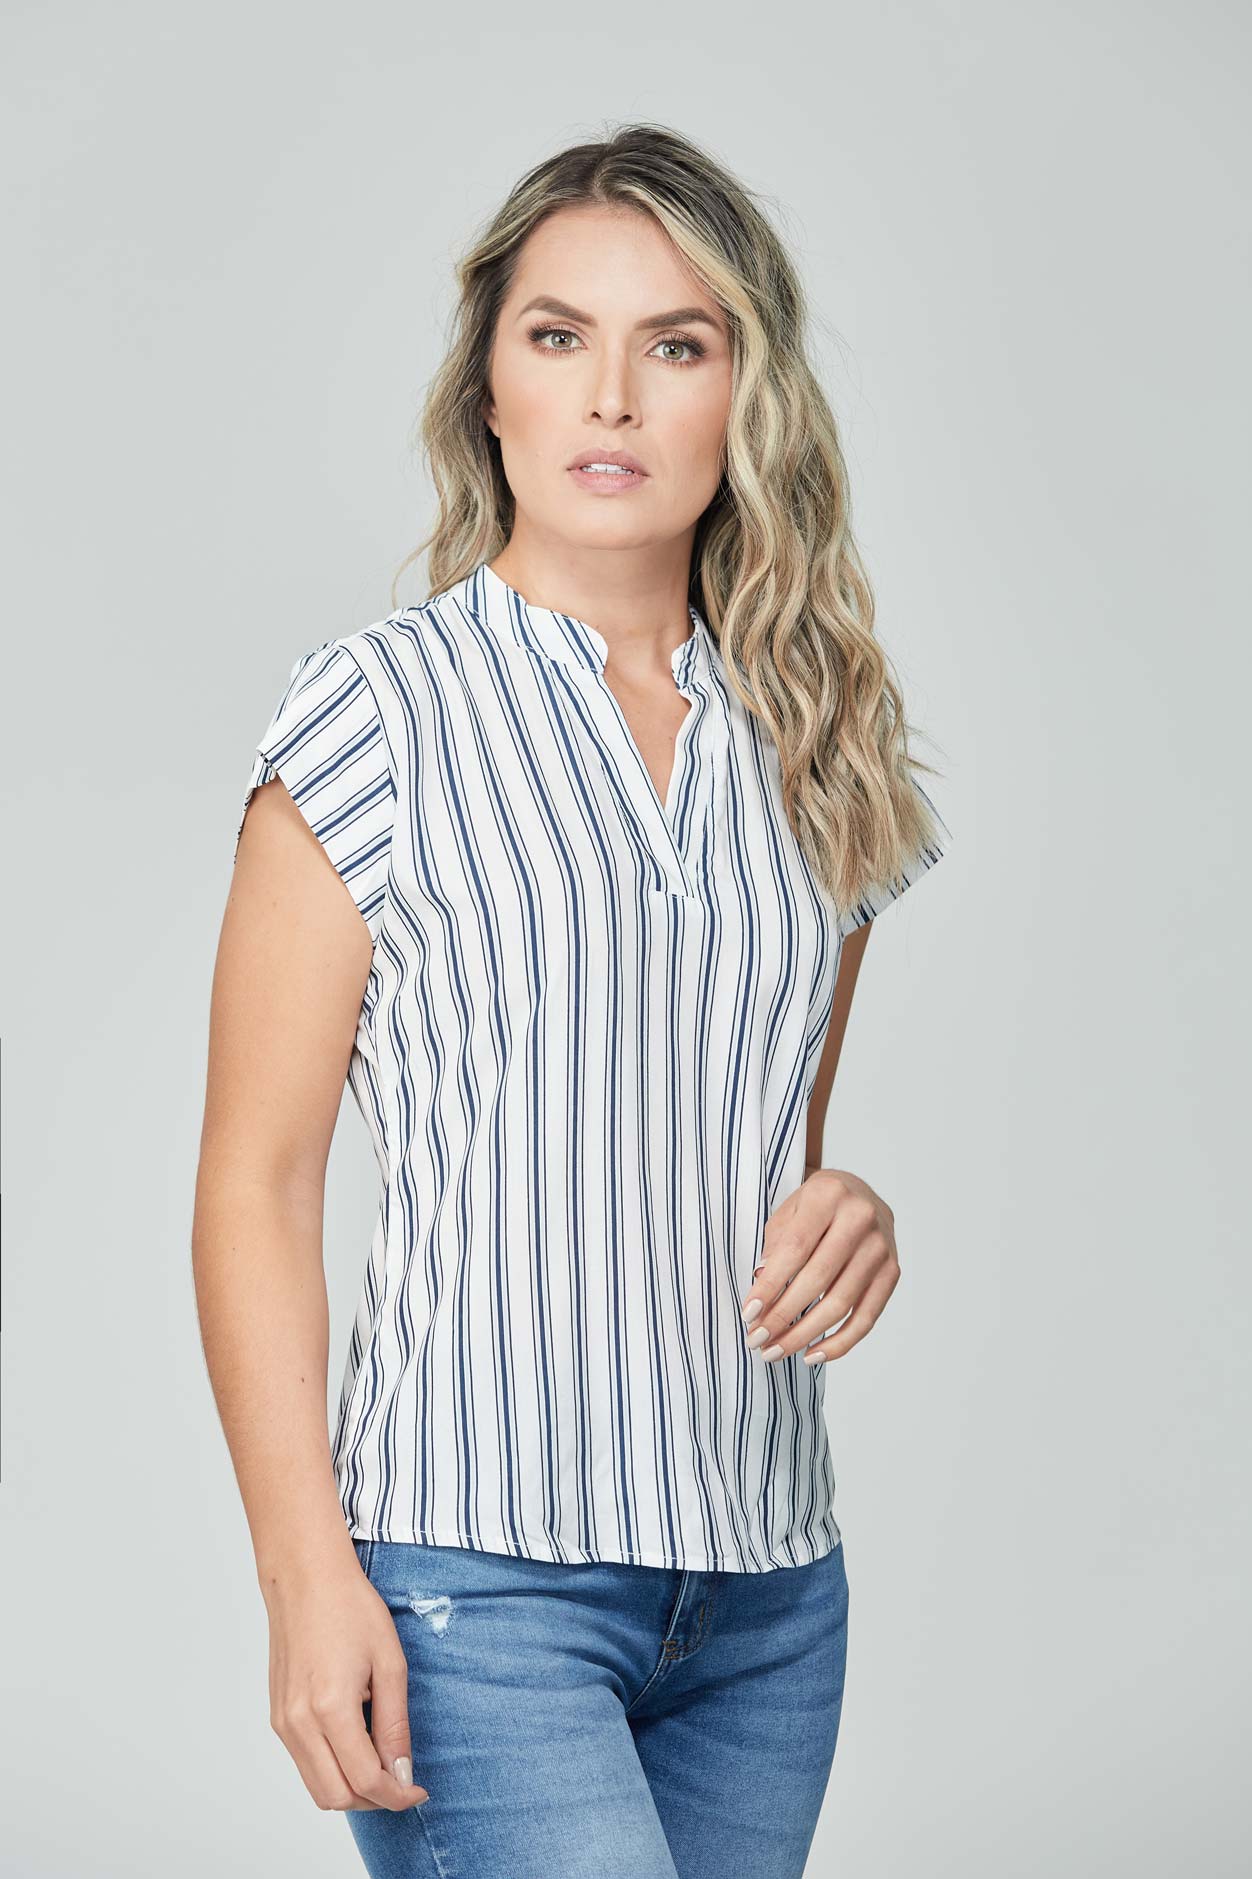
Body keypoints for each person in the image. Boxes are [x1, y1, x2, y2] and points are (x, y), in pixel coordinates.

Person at [194, 121, 952, 1879]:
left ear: (746, 395)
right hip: (475, 1586)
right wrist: (307, 1579)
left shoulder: (815, 739)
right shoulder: (374, 716)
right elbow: (254, 1182)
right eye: (559, 337)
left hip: (769, 1595)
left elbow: (762, 1147)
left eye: (676, 345)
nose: (612, 396)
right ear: (491, 388)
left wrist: (848, 1214)